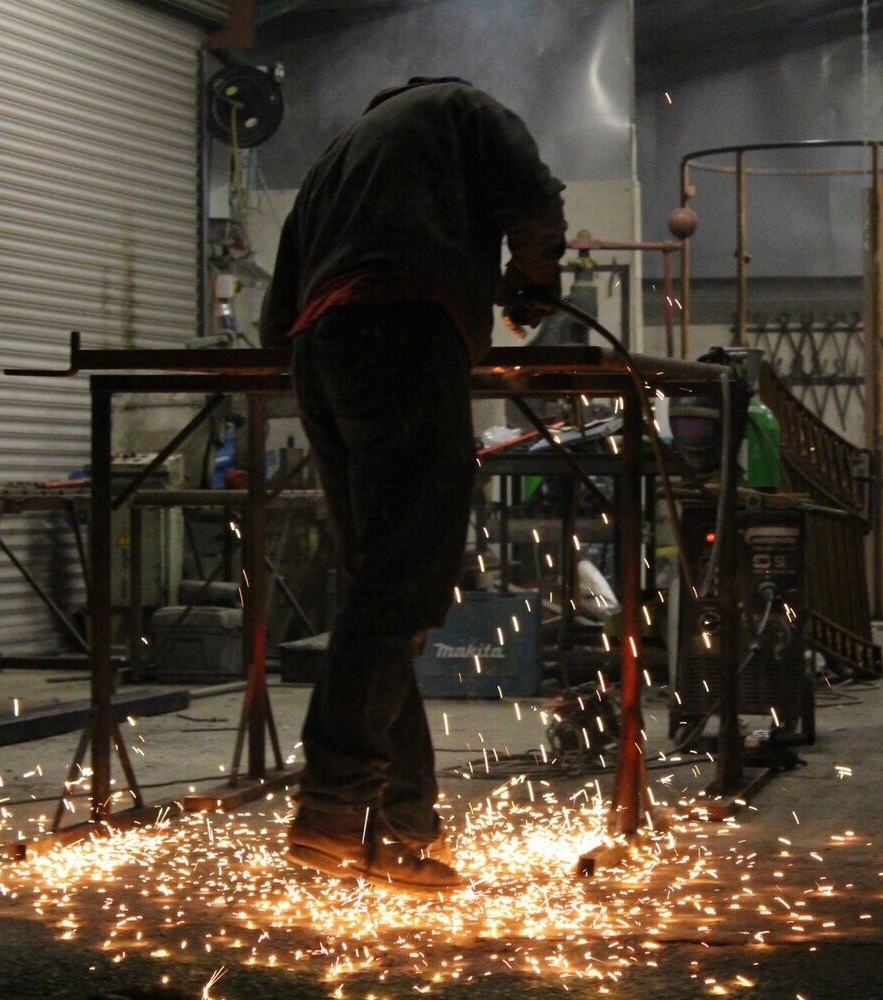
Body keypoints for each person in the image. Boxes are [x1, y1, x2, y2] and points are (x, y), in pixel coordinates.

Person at [260, 76, 566, 892]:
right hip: (404, 330)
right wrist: (534, 280)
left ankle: (402, 831)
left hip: (318, 357)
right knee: (404, 589)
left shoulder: (335, 160)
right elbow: (535, 197)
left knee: (380, 591)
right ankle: (331, 806)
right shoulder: (462, 109)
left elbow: (272, 314)